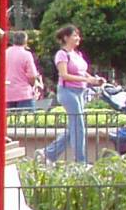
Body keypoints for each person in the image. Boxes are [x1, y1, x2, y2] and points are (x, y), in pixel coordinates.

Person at [42, 24, 101, 165]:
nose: (78, 38)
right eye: (74, 35)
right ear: (66, 37)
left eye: (78, 35)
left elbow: (82, 72)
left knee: (74, 126)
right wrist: (86, 79)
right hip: (68, 92)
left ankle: (49, 153)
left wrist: (93, 79)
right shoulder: (62, 54)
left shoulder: (77, 54)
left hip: (80, 91)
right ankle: (81, 161)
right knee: (79, 126)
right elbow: (64, 75)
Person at [2, 37, 43, 113]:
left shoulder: (5, 53)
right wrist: (32, 84)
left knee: (9, 122)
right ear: (25, 42)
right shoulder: (26, 54)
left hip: (7, 93)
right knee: (25, 122)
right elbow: (32, 75)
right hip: (24, 93)